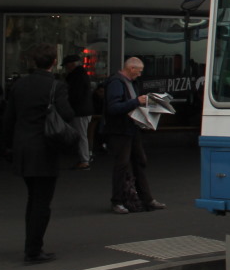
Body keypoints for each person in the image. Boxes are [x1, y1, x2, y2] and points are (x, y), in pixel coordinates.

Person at [2, 44, 74, 264]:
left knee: (33, 198)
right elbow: (67, 114)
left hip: (23, 147)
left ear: (33, 62)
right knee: (42, 201)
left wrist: (6, 146)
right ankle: (33, 249)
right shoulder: (56, 86)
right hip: (45, 148)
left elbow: (9, 118)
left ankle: (31, 245)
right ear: (54, 62)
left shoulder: (19, 85)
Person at [101, 57, 166, 214]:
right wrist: (136, 101)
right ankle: (117, 201)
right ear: (131, 69)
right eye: (139, 71)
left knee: (139, 161)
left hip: (131, 128)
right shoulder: (117, 83)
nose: (140, 74)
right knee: (122, 165)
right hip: (119, 130)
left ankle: (146, 198)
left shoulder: (129, 83)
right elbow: (113, 108)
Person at [63, 54, 94, 169]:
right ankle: (85, 157)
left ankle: (84, 160)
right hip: (84, 109)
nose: (66, 68)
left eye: (67, 66)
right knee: (82, 134)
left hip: (80, 110)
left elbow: (75, 95)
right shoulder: (82, 74)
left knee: (81, 135)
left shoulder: (76, 76)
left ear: (71, 65)